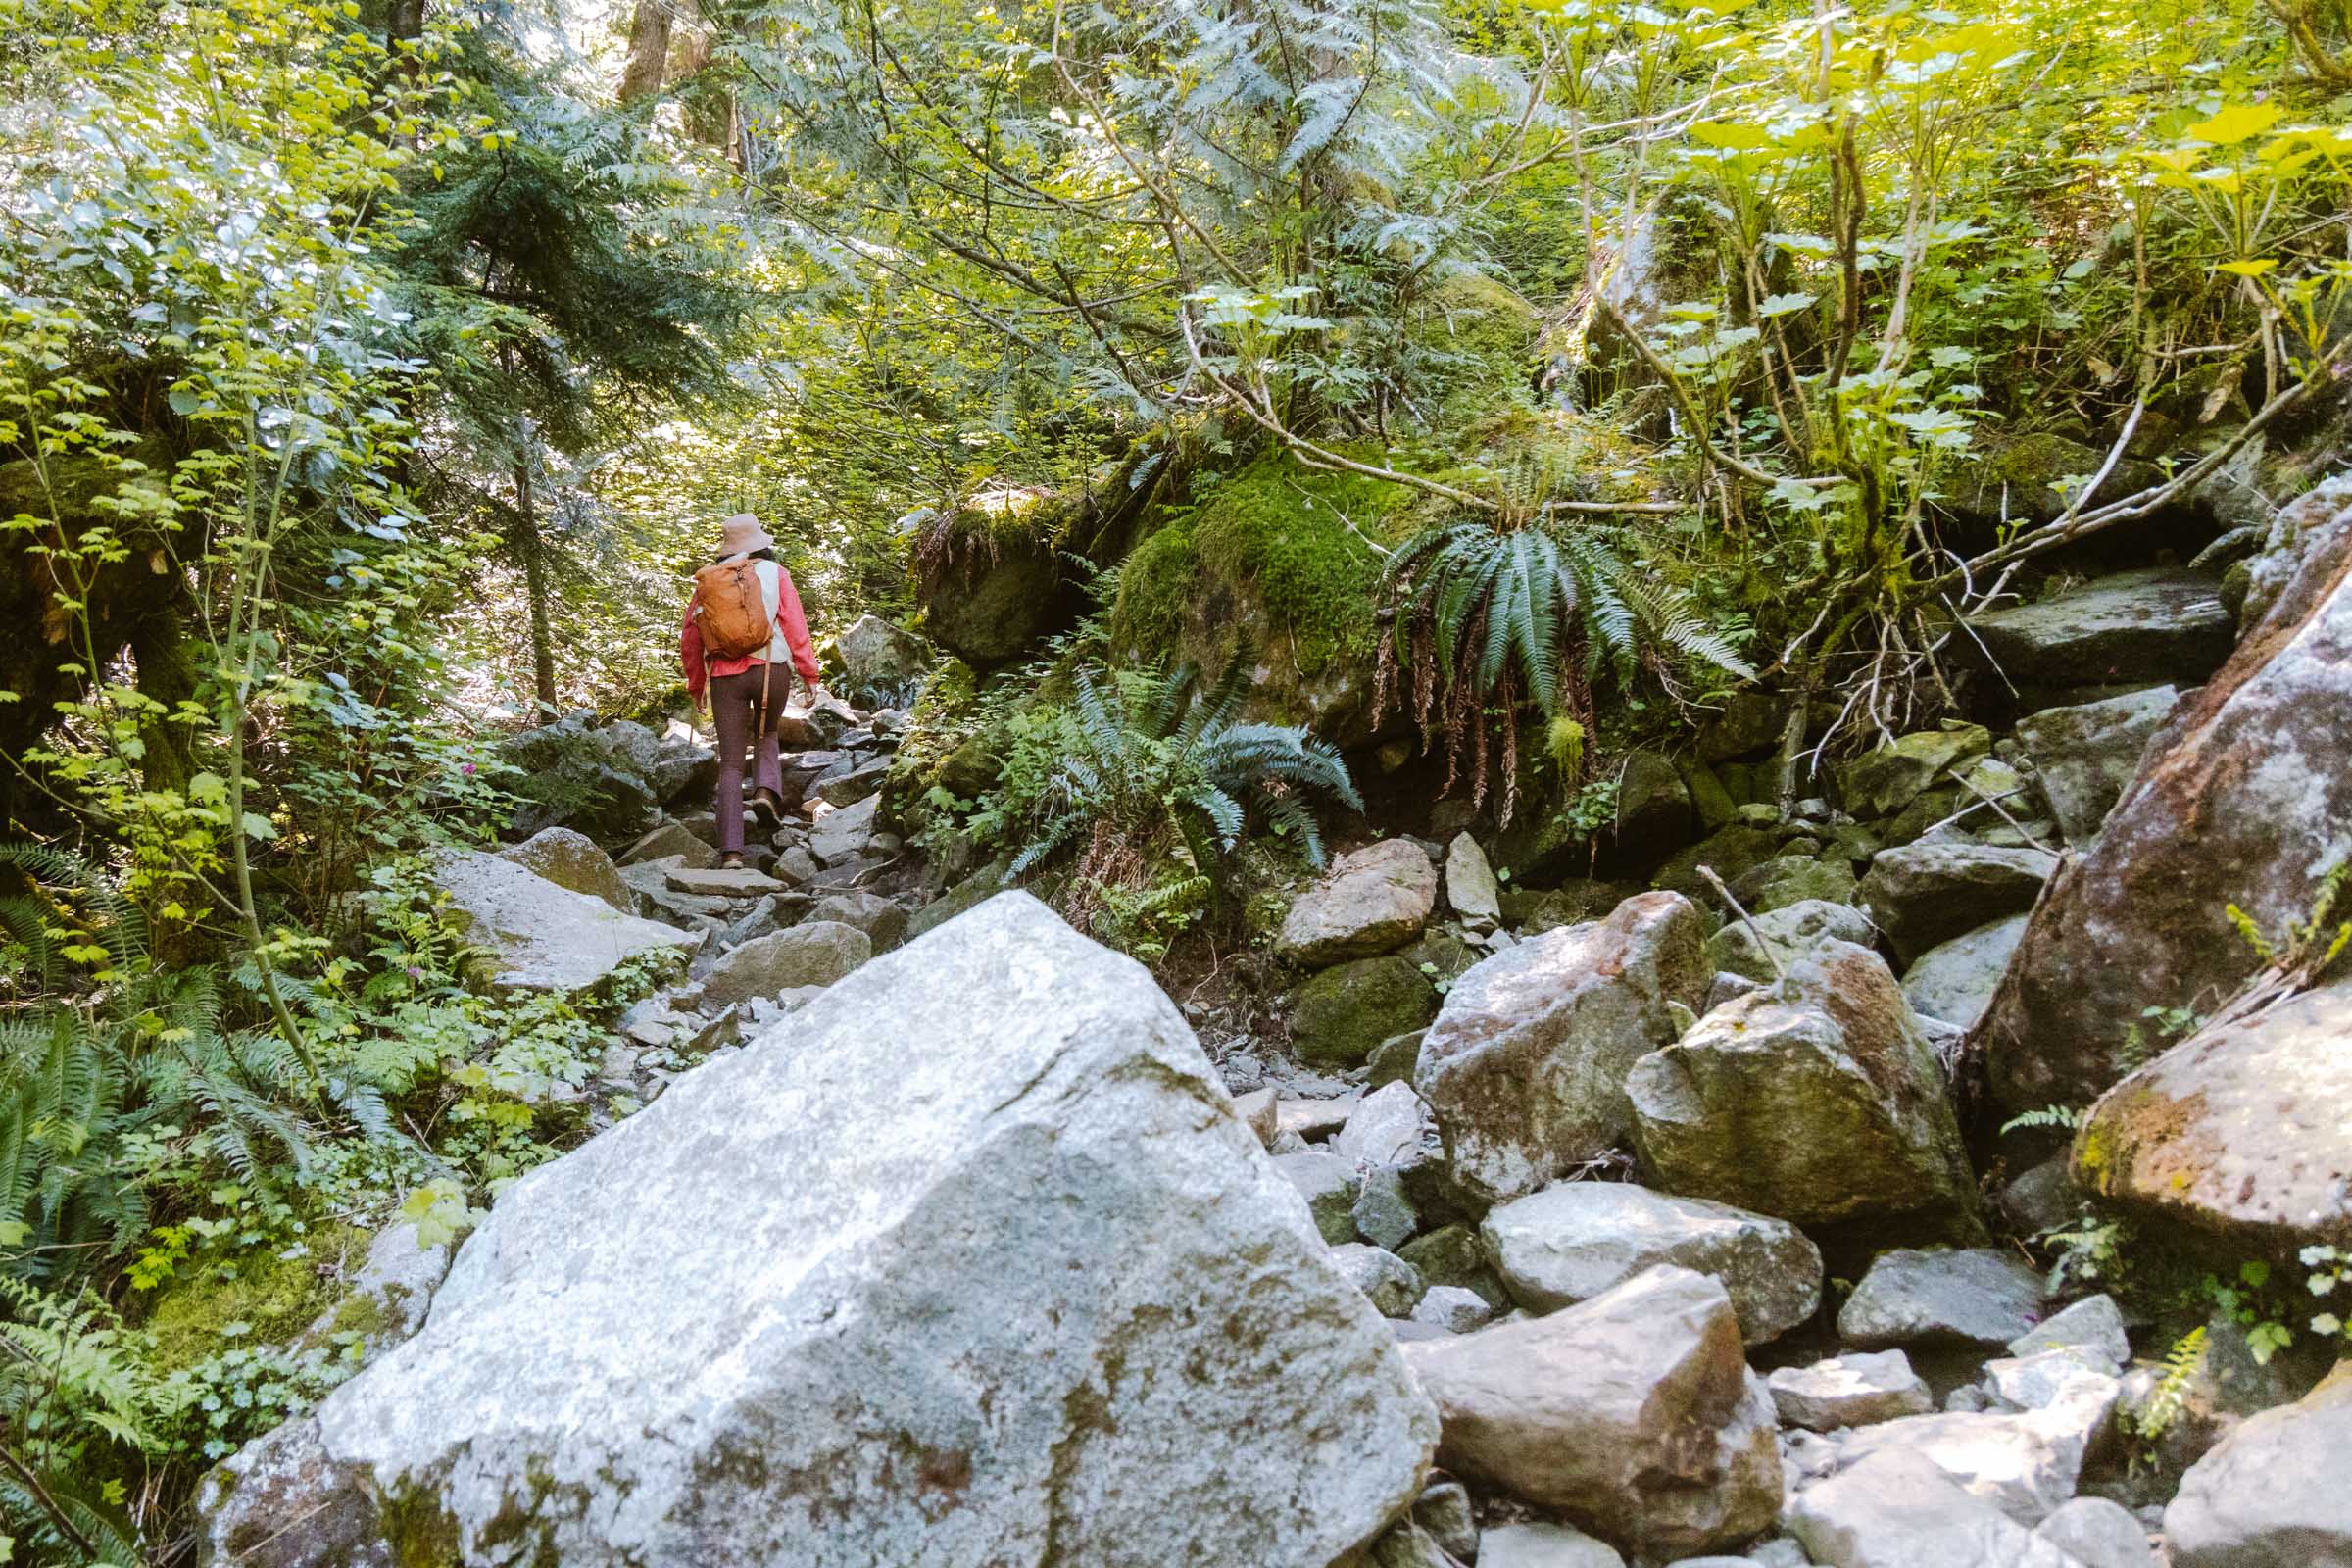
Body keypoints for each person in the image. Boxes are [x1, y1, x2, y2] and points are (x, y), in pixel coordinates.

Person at [680, 513, 824, 869]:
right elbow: (795, 626)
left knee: (729, 762)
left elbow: (691, 637)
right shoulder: (777, 574)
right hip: (770, 672)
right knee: (768, 732)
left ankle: (731, 852)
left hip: (725, 676)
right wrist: (809, 674)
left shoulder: (708, 582)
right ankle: (763, 792)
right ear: (761, 543)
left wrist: (696, 686)